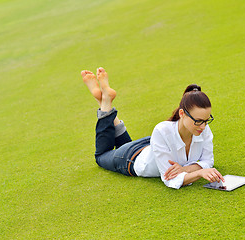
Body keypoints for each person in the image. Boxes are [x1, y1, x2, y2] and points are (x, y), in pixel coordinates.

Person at [81, 67, 225, 189]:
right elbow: (170, 179)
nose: (203, 126)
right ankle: (105, 102)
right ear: (182, 114)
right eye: (198, 121)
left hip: (150, 146)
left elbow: (208, 161)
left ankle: (104, 102)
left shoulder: (203, 129)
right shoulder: (162, 130)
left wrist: (185, 169)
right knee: (101, 156)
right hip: (130, 158)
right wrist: (199, 172)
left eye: (206, 121)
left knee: (123, 144)